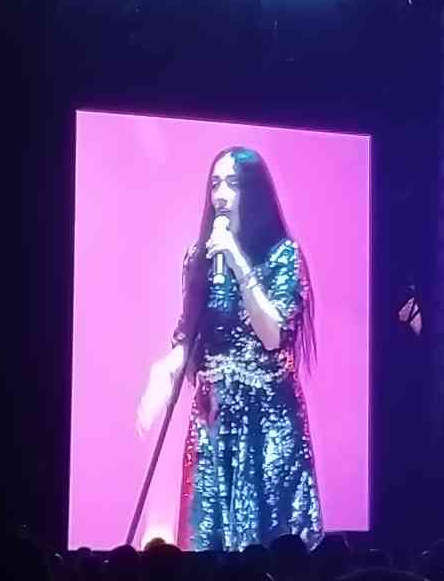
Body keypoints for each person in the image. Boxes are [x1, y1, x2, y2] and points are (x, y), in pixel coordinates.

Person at [137, 146, 322, 550]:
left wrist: (238, 263)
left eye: (233, 184)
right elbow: (188, 333)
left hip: (269, 420)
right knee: (209, 541)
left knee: (272, 541)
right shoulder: (199, 258)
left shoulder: (283, 256)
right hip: (214, 419)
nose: (220, 194)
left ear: (253, 192)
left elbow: (273, 335)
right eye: (215, 183)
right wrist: (163, 373)